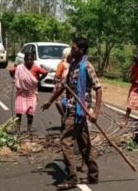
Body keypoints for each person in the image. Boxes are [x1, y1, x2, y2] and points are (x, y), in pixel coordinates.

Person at [41, 37, 101, 189]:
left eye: (74, 48)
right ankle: (93, 175)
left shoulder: (86, 66)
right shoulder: (73, 65)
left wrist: (96, 113)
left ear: (81, 50)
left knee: (66, 142)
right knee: (84, 144)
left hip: (79, 110)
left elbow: (98, 88)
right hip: (72, 107)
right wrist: (50, 100)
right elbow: (63, 85)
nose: (71, 50)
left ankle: (72, 178)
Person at [9, 52, 47, 133]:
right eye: (27, 59)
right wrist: (15, 79)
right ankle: (18, 130)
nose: (29, 61)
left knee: (30, 112)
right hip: (21, 93)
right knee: (19, 112)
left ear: (33, 60)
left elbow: (45, 73)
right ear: (24, 60)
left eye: (31, 59)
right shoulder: (20, 68)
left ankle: (28, 130)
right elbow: (11, 70)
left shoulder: (36, 68)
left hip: (31, 93)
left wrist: (38, 80)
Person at [123, 54, 138, 127]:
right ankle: (125, 120)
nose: (137, 63)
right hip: (135, 88)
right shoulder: (134, 67)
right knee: (130, 104)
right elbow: (131, 79)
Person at [53, 47, 72, 131]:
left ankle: (65, 125)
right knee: (63, 107)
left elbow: (57, 77)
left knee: (67, 107)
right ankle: (64, 124)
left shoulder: (70, 64)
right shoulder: (62, 64)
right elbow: (57, 77)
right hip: (63, 88)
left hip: (68, 88)